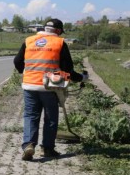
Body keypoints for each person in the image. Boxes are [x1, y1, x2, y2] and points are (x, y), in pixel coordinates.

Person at [13, 18, 88, 161]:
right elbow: (68, 70)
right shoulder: (59, 43)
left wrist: (25, 71)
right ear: (58, 31)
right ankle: (47, 149)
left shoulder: (29, 41)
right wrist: (81, 78)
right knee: (51, 118)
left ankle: (28, 145)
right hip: (50, 87)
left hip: (29, 85)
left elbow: (17, 61)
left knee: (31, 116)